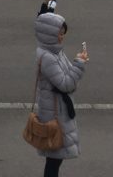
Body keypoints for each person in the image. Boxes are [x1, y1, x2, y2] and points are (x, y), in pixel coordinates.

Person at [33, 12, 88, 177]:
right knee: (54, 159)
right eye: (60, 33)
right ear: (49, 34)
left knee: (55, 159)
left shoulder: (54, 52)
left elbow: (66, 79)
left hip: (57, 110)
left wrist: (77, 62)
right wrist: (79, 64)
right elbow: (65, 84)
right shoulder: (48, 57)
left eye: (63, 33)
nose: (62, 36)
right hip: (55, 114)